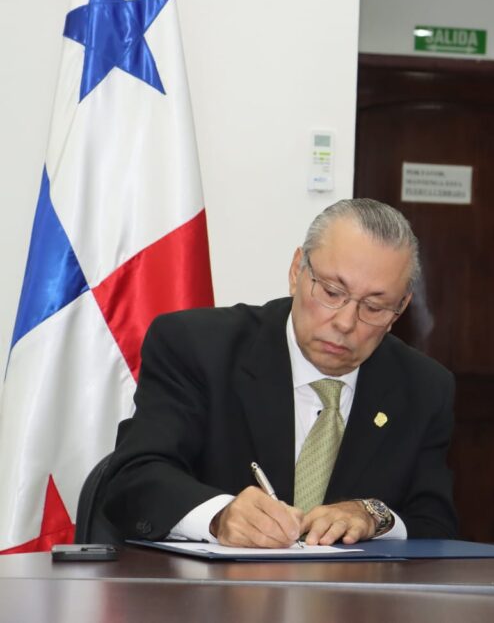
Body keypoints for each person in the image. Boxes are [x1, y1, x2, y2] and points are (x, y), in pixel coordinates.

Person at [103, 198, 457, 547]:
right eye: (332, 292)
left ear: (401, 308)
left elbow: (436, 524)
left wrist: (374, 516)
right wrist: (218, 516)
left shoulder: (424, 388)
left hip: (349, 602)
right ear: (297, 270)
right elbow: (135, 477)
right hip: (211, 598)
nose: (346, 322)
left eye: (375, 307)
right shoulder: (198, 348)